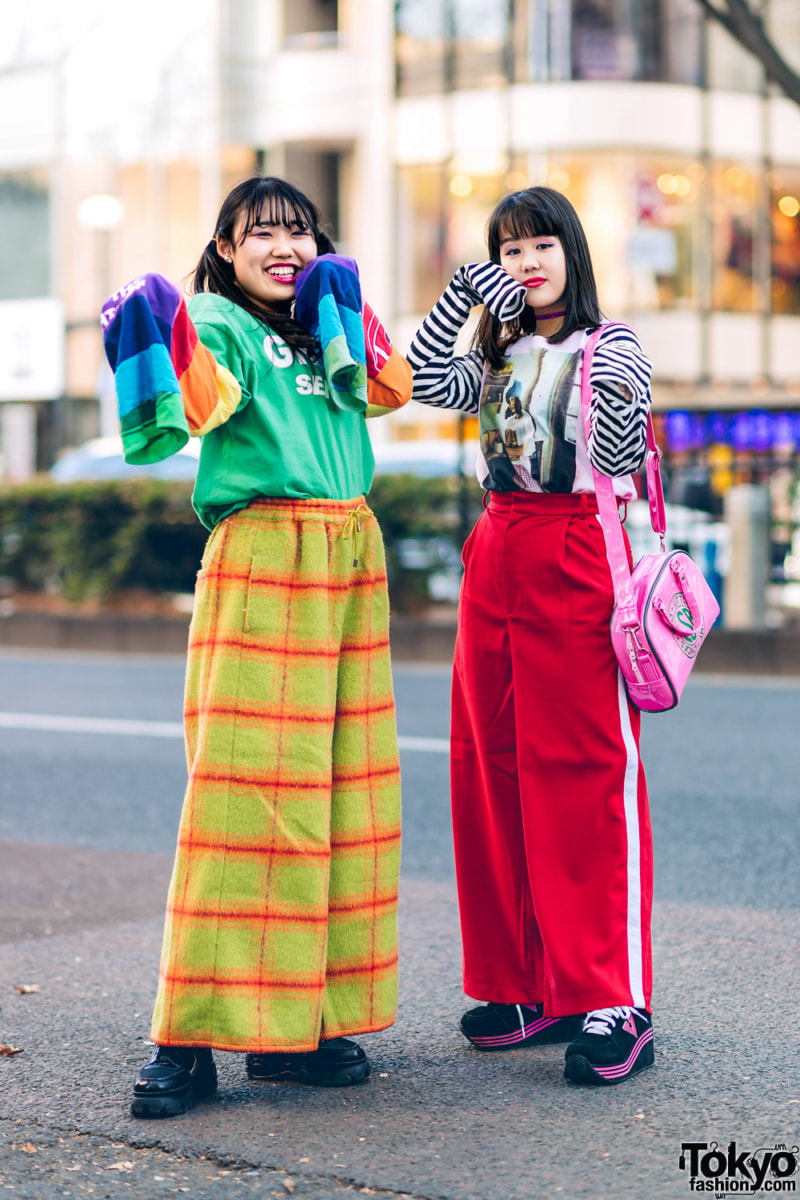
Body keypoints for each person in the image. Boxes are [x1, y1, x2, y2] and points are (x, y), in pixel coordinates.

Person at [101, 176, 412, 1117]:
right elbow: (195, 400)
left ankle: (299, 1029)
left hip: (351, 552)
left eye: (299, 230)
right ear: (227, 251)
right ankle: (185, 1040)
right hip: (266, 552)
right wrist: (157, 326)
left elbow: (395, 391)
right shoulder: (221, 321)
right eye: (261, 233)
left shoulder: (330, 325)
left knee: (345, 796)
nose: (285, 245)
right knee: (244, 800)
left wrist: (348, 304)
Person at [406, 186, 655, 1086]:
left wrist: (615, 391)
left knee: (587, 773)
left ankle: (612, 997)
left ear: (571, 253)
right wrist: (465, 302)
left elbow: (623, 457)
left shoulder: (611, 344)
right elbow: (424, 383)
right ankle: (521, 985)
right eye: (508, 250)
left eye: (540, 245)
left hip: (576, 548)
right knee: (487, 764)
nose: (526, 263)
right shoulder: (496, 351)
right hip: (498, 545)